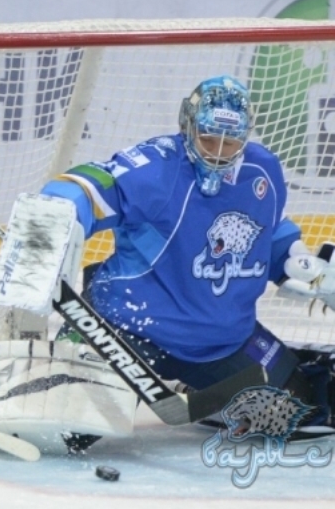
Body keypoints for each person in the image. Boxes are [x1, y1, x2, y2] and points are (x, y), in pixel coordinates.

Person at [41, 75, 334, 440]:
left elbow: (267, 229)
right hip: (126, 331)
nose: (218, 152)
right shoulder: (157, 167)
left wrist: (299, 263)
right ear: (188, 125)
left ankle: (201, 393)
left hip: (223, 343)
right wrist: (51, 218)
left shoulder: (263, 171)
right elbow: (87, 186)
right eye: (208, 138)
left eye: (230, 142)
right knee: (63, 432)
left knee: (298, 410)